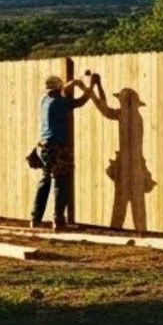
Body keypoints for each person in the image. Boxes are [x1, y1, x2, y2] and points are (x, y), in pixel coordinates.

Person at [33, 72, 96, 230]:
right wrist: (92, 86)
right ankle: (59, 221)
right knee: (61, 182)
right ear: (58, 89)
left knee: (45, 181)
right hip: (57, 147)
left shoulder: (44, 99)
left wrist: (74, 83)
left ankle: (35, 219)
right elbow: (80, 102)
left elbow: (62, 90)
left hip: (44, 146)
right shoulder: (60, 102)